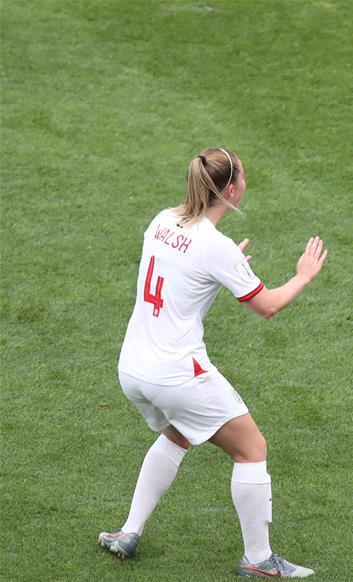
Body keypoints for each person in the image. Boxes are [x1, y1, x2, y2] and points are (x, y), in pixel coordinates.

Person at [99, 147, 326, 577]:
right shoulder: (215, 248)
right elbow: (268, 306)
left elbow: (186, 275)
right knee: (252, 448)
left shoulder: (162, 221)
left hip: (132, 367)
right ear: (233, 188)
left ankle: (128, 531)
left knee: (179, 432)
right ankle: (259, 560)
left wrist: (226, 265)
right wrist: (303, 275)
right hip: (177, 373)